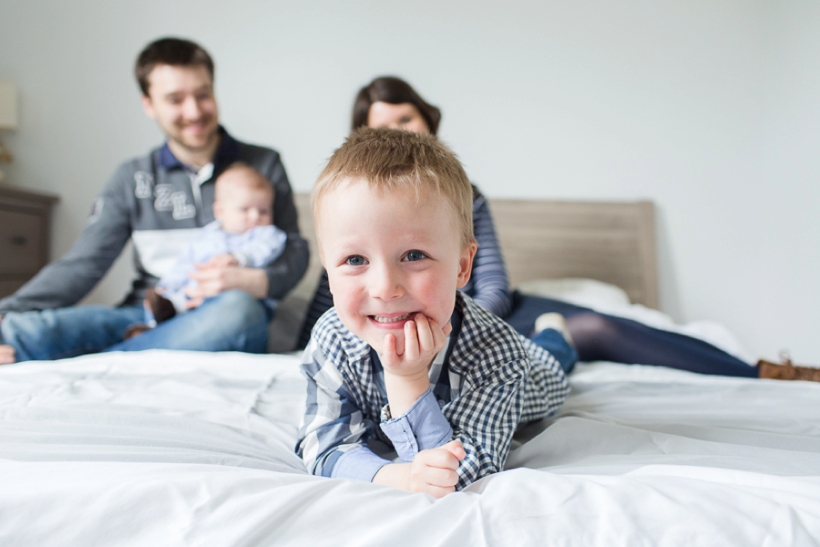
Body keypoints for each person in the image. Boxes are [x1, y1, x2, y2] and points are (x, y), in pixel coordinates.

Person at [297, 75, 819, 382]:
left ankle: (760, 372)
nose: (395, 132)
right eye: (379, 126)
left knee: (600, 324)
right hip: (421, 313)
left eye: (404, 120)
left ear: (427, 121)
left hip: (478, 311)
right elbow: (335, 293)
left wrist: (458, 320)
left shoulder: (463, 195)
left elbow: (493, 283)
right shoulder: (351, 215)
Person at [296, 128, 569, 497]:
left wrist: (406, 379)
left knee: (553, 359)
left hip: (533, 372)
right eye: (355, 259)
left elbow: (463, 471)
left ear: (461, 266)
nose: (384, 288)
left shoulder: (498, 354)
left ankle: (557, 335)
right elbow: (322, 445)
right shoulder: (332, 339)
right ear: (329, 274)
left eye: (413, 256)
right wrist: (395, 477)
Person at [0, 37, 308, 363]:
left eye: (203, 95)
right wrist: (8, 311)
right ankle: (134, 353)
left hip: (219, 313)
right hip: (142, 314)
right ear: (149, 104)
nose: (194, 111)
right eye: (175, 99)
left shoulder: (263, 164)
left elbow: (296, 250)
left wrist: (255, 280)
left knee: (239, 312)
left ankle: (101, 364)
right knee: (19, 330)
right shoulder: (132, 177)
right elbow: (83, 264)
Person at [131, 161, 287, 331]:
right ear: (220, 211)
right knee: (167, 302)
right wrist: (167, 285)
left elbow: (267, 248)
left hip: (234, 302)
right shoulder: (207, 236)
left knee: (233, 305)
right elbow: (185, 263)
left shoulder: (265, 234)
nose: (255, 216)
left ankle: (152, 336)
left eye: (264, 211)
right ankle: (152, 326)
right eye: (245, 209)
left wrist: (239, 257)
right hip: (191, 297)